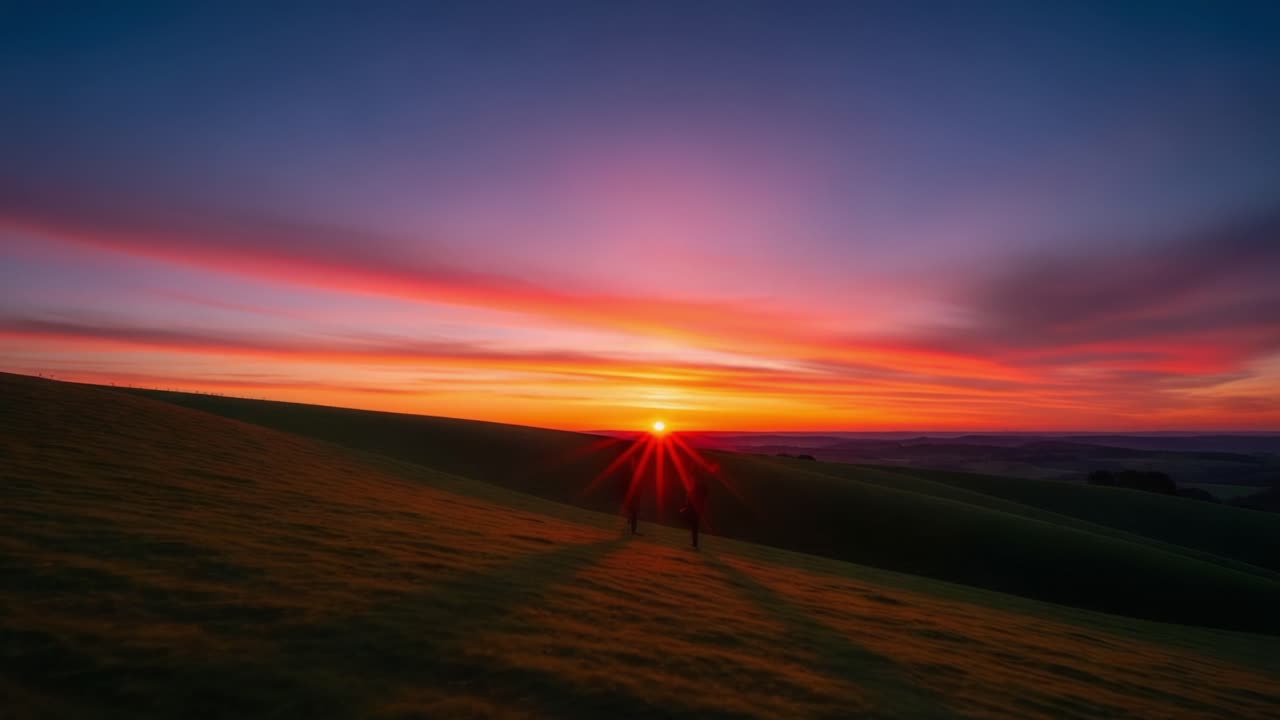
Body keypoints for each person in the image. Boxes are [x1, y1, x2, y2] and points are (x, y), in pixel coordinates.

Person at [680, 482, 707, 549]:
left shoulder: (695, 492)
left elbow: (689, 500)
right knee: (695, 527)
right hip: (696, 511)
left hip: (694, 511)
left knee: (694, 527)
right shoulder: (698, 493)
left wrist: (686, 506)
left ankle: (695, 544)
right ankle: (695, 544)